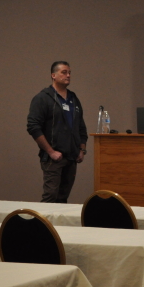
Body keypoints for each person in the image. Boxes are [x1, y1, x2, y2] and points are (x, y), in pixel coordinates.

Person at [27, 61, 87, 203]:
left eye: (70, 73)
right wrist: (50, 151)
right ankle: (42, 225)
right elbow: (33, 127)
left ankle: (58, 226)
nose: (68, 75)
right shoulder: (42, 98)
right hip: (53, 159)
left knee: (62, 199)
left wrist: (82, 150)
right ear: (53, 75)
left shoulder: (74, 99)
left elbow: (81, 128)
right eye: (64, 72)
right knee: (50, 197)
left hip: (72, 158)